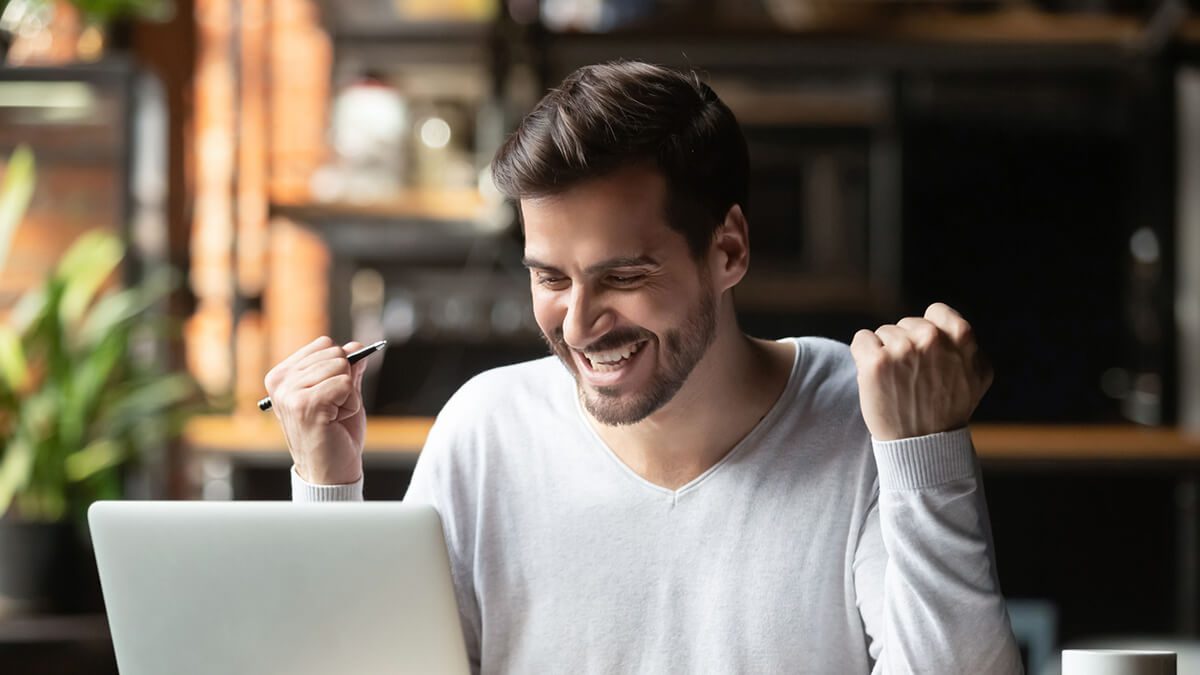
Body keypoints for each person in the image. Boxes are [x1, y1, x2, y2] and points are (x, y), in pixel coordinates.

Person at [264, 61, 1022, 674]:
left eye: (623, 277)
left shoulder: (864, 420)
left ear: (727, 250)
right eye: (551, 278)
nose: (580, 323)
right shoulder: (486, 429)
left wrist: (925, 451)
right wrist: (329, 487)